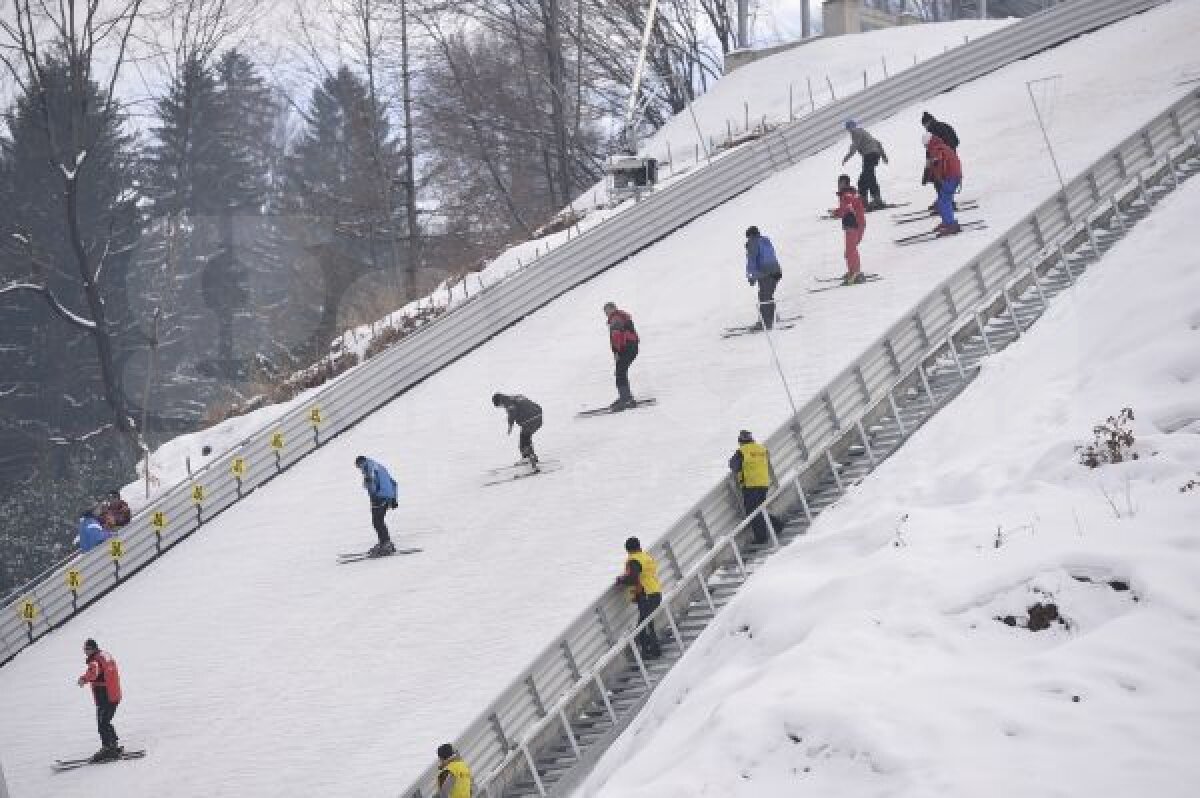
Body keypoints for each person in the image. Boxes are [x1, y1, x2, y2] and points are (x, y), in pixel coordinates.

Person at [615, 536, 662, 659]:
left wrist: (621, 579)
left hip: (646, 594)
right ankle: (654, 650)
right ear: (639, 546)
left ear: (627, 550)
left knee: (643, 624)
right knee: (647, 622)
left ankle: (647, 652)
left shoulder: (634, 560)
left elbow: (633, 578)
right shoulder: (645, 556)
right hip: (655, 591)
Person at [77, 638, 122, 762]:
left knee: (102, 723)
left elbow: (93, 673)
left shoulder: (95, 661)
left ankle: (108, 748)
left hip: (105, 696)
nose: (85, 652)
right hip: (114, 694)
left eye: (86, 649)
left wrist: (83, 679)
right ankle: (113, 745)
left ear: (92, 648)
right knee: (106, 721)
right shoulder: (105, 655)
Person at [729, 430, 773, 545]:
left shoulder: (742, 451)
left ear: (741, 441)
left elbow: (733, 465)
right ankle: (777, 526)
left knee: (753, 512)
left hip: (750, 485)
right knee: (760, 510)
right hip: (763, 483)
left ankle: (762, 538)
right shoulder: (762, 449)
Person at [354, 455, 398, 557]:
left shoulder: (369, 468)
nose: (359, 470)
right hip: (387, 496)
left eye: (358, 467)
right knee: (379, 521)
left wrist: (373, 496)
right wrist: (394, 498)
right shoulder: (379, 466)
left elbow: (371, 484)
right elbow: (393, 482)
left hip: (380, 496)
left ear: (361, 463)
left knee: (377, 521)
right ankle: (384, 542)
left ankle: (386, 544)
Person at [841, 119, 889, 210]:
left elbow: (855, 146)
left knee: (869, 177)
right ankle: (863, 201)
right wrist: (884, 156)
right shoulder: (863, 132)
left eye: (849, 128)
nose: (849, 130)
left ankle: (876, 199)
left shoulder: (855, 133)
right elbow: (878, 143)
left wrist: (847, 157)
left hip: (869, 155)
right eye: (848, 129)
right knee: (863, 179)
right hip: (874, 155)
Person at [830, 174, 868, 285]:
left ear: (845, 183)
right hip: (854, 224)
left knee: (850, 250)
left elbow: (849, 206)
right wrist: (837, 211)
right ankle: (853, 271)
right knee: (849, 250)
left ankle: (856, 273)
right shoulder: (847, 194)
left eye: (840, 183)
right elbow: (847, 207)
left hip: (854, 224)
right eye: (838, 182)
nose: (838, 185)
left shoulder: (847, 194)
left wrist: (839, 212)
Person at [924, 131, 963, 236]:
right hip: (954, 176)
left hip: (951, 177)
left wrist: (939, 177)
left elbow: (939, 165)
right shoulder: (942, 146)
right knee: (944, 200)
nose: (925, 148)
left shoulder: (937, 150)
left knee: (943, 201)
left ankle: (951, 225)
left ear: (928, 143)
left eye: (925, 145)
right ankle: (947, 222)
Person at [744, 226, 783, 329]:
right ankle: (773, 317)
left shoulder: (753, 243)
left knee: (764, 297)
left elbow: (752, 262)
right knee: (767, 295)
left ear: (750, 235)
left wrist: (751, 277)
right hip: (776, 271)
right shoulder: (765, 241)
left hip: (766, 273)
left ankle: (766, 323)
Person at [603, 302, 640, 411]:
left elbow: (617, 336)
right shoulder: (621, 316)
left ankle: (626, 399)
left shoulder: (616, 318)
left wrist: (617, 353)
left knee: (620, 373)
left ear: (613, 309)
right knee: (621, 372)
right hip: (631, 348)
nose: (606, 314)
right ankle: (626, 397)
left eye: (607, 311)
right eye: (605, 312)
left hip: (626, 349)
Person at [491, 393, 543, 469]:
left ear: (499, 402)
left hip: (530, 419)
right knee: (526, 437)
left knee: (524, 439)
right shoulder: (515, 396)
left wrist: (510, 426)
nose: (502, 407)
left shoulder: (507, 401)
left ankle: (528, 458)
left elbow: (512, 412)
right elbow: (526, 403)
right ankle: (530, 456)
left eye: (500, 406)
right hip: (538, 415)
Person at [920, 111, 959, 210]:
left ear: (927, 122)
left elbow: (931, 148)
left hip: (941, 159)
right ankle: (945, 201)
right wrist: (950, 151)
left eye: (924, 125)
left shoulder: (932, 129)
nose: (924, 127)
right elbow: (956, 141)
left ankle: (945, 202)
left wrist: (928, 167)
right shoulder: (945, 125)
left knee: (937, 179)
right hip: (951, 157)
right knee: (947, 180)